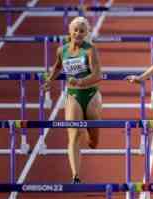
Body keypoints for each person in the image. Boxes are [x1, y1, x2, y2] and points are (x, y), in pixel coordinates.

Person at [43, 16, 103, 183]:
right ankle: (75, 175)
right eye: (75, 30)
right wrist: (49, 81)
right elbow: (57, 67)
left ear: (86, 33)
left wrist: (81, 81)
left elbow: (98, 75)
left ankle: (89, 134)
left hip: (91, 95)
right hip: (73, 95)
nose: (78, 33)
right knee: (74, 135)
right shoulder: (62, 50)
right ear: (70, 31)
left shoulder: (90, 50)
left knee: (93, 143)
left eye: (81, 31)